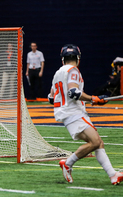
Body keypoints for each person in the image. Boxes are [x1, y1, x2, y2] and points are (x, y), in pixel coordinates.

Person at [48, 44, 123, 185]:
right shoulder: (73, 70)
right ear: (78, 58)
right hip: (74, 113)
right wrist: (92, 98)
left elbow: (51, 98)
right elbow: (73, 92)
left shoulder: (58, 72)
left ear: (62, 59)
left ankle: (113, 175)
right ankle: (68, 164)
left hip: (67, 115)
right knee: (95, 142)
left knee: (98, 142)